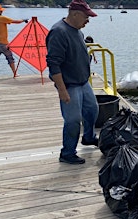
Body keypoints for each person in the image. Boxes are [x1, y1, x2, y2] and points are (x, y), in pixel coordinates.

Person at [46, 0, 99, 165]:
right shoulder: (58, 32)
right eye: (86, 17)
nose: (88, 20)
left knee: (92, 110)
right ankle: (67, 152)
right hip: (70, 85)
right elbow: (53, 63)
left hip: (83, 82)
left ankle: (88, 137)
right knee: (73, 120)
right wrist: (62, 90)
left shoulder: (78, 31)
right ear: (75, 14)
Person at [0, 3, 28, 81]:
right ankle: (15, 73)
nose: (2, 12)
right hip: (3, 43)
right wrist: (23, 20)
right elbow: (15, 21)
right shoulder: (1, 18)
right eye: (1, 11)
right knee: (10, 58)